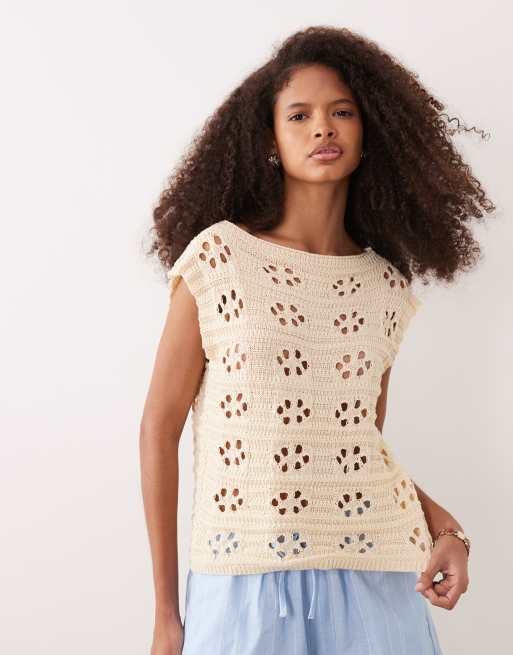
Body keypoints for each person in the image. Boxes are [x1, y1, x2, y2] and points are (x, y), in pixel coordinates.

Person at [140, 26, 493, 655]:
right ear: (270, 140)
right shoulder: (219, 259)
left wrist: (447, 529)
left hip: (377, 579)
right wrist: (167, 614)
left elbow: (351, 445)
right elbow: (158, 431)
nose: (323, 128)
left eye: (342, 113)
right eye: (299, 115)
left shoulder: (385, 288)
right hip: (244, 583)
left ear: (369, 133)